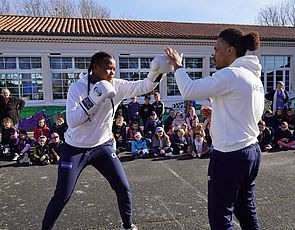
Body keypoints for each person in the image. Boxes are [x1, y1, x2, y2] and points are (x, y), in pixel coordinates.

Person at [42, 51, 172, 230]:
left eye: (114, 69)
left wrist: (157, 72)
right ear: (95, 68)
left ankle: (127, 226)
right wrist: (94, 99)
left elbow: (144, 86)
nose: (112, 73)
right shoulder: (77, 88)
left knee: (123, 187)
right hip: (75, 148)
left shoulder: (117, 85)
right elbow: (72, 121)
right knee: (62, 195)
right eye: (108, 69)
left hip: (102, 146)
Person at [165, 27, 264, 229]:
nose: (213, 54)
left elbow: (189, 90)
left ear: (230, 51)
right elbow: (247, 115)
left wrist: (177, 66)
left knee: (220, 219)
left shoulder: (231, 75)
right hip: (251, 152)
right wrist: (217, 115)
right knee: (246, 209)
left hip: (230, 156)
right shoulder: (253, 78)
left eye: (216, 49)